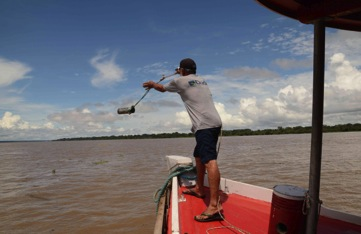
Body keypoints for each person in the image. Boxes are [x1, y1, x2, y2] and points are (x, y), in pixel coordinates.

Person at [142, 58, 223, 222]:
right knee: (199, 156)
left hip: (204, 125)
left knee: (210, 161)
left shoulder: (180, 81)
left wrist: (152, 84)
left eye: (180, 69)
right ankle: (200, 189)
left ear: (182, 70)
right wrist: (182, 71)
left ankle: (214, 206)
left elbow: (162, 88)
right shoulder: (201, 80)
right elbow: (189, 80)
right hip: (214, 123)